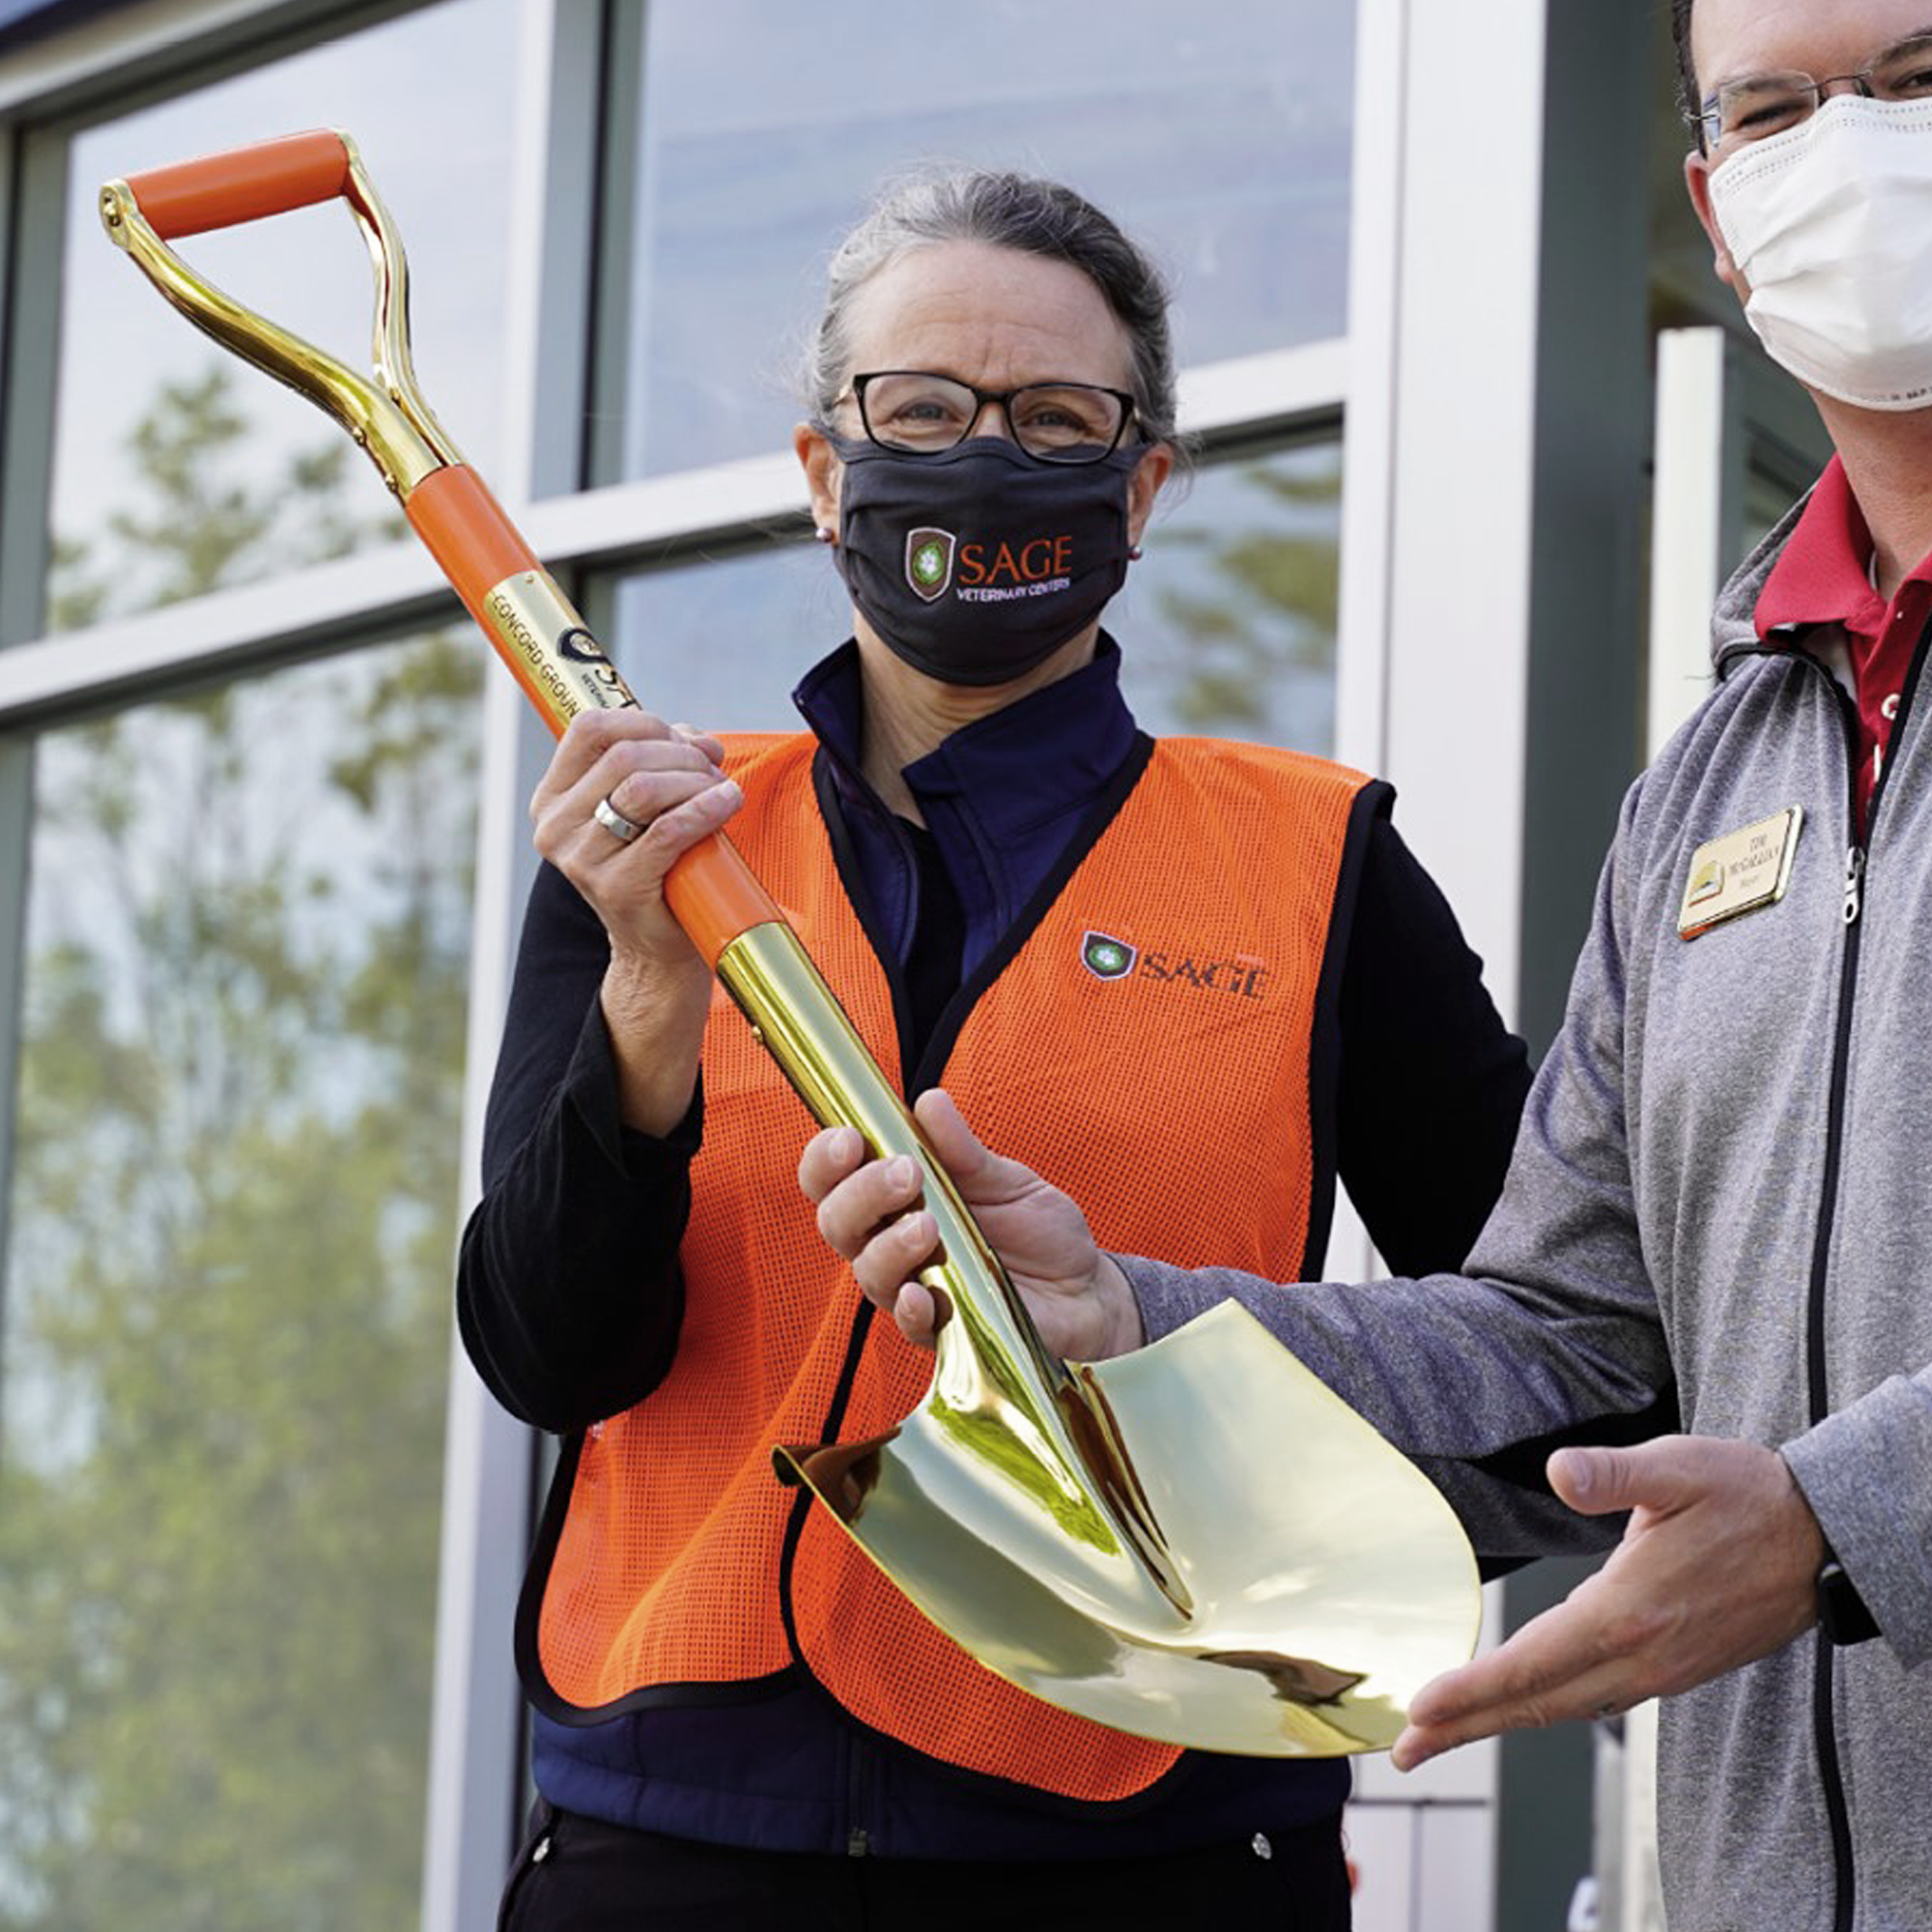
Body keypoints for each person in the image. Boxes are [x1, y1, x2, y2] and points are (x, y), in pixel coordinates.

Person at [804, 7, 1932, 1927]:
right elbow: (1572, 1347)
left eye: (1915, 84)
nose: (1848, 152)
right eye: (1773, 107)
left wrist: (1853, 1513)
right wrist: (1135, 1328)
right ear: (1716, 211)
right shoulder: (1714, 782)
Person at [458, 167, 1532, 1930]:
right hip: (663, 1838)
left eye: (1053, 419)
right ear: (826, 473)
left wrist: (1228, 1437)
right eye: (923, 410)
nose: (983, 458)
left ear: (1146, 482)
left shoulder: (1319, 864)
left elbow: (1553, 1364)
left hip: (1149, 1854)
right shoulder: (654, 854)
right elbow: (547, 1353)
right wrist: (649, 999)